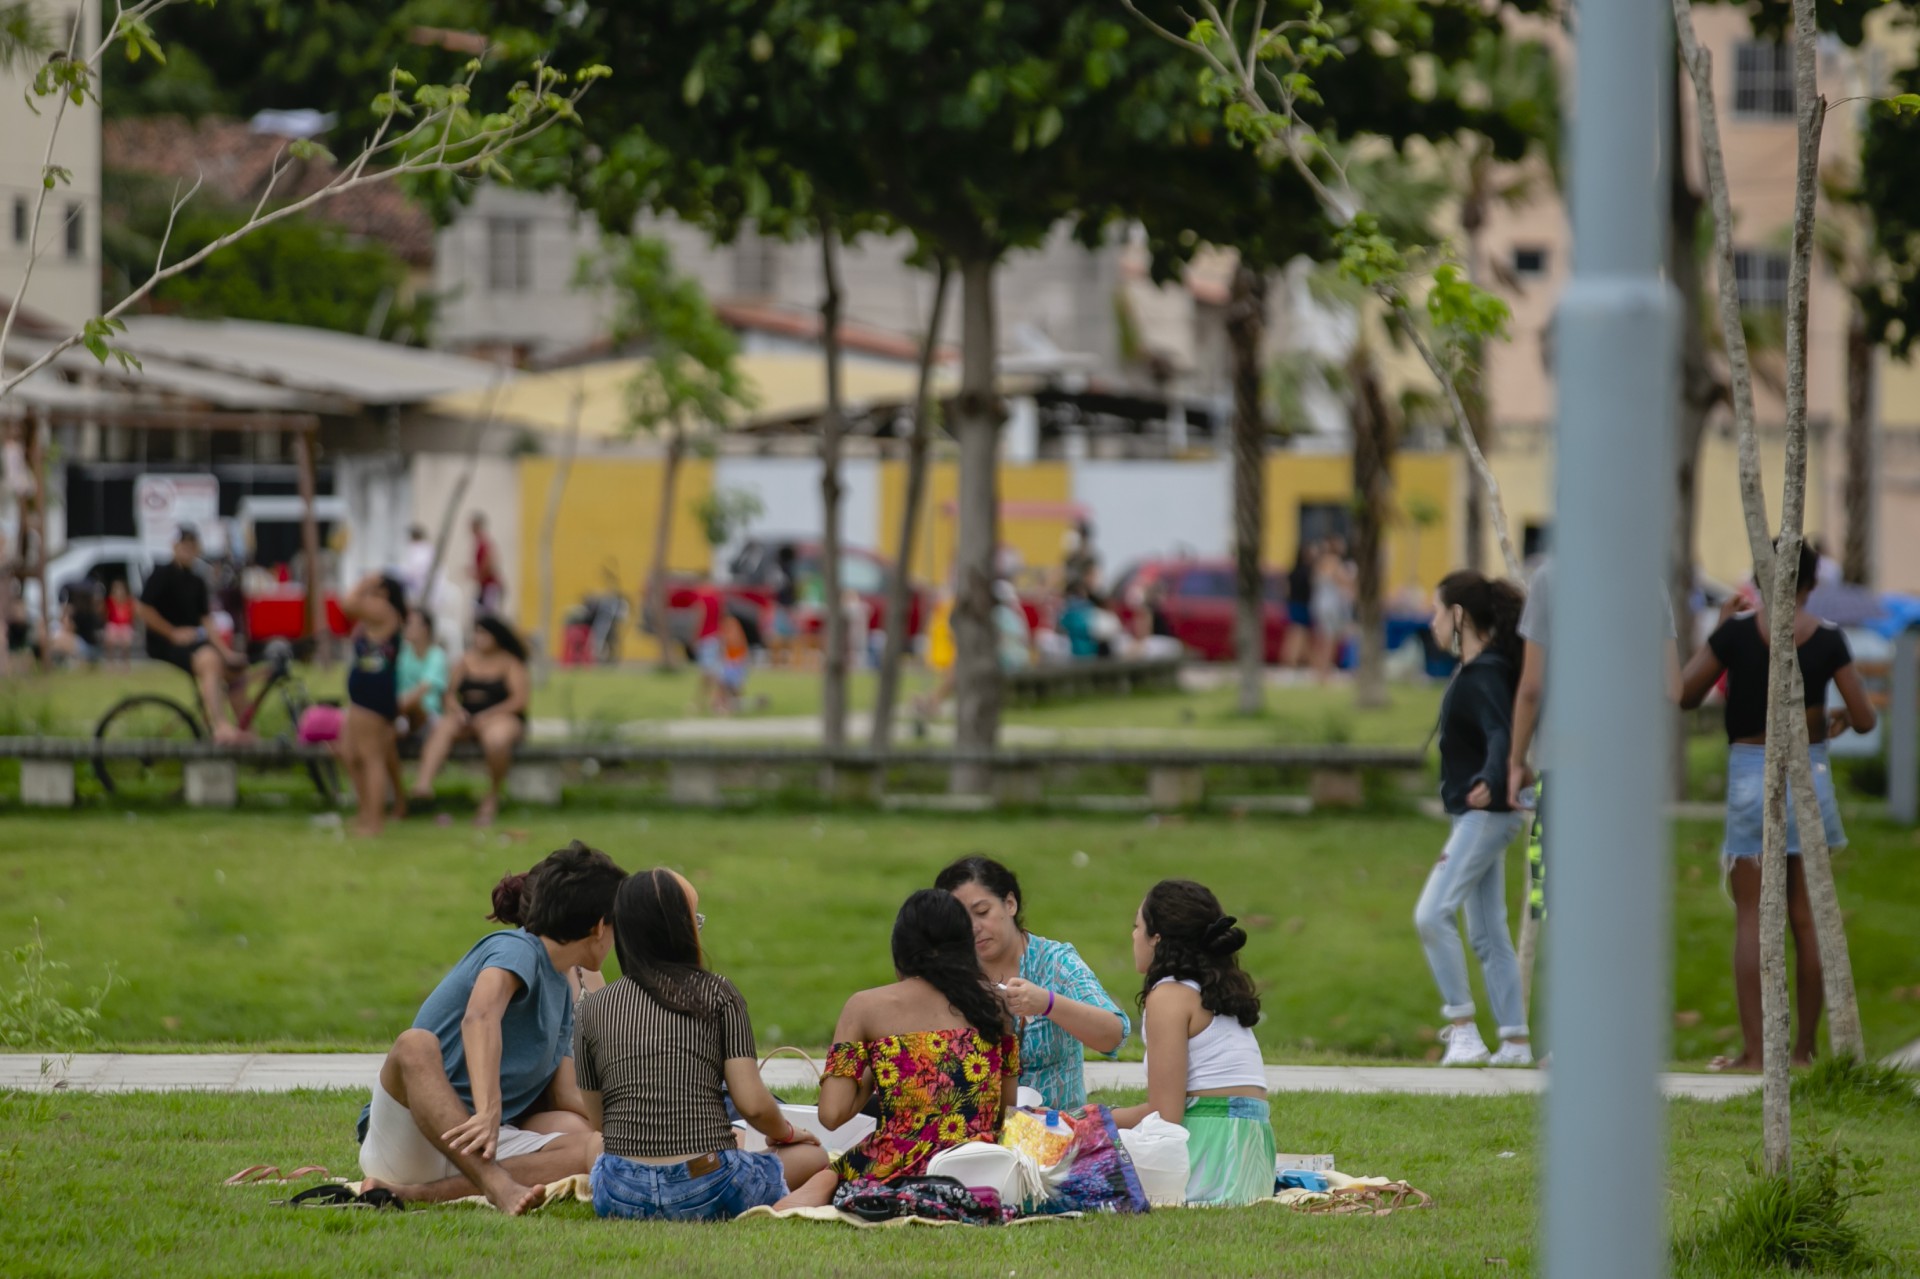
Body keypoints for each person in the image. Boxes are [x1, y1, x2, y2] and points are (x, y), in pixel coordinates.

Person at [1679, 542, 1876, 1072]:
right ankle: (1805, 1051)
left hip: (1750, 768)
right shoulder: (1829, 638)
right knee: (1805, 918)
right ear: (1814, 583)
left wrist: (1720, 627)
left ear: (1762, 579)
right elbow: (1864, 718)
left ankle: (1755, 1052)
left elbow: (1686, 694)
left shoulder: (1739, 633)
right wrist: (1831, 720)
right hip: (1808, 771)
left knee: (1751, 916)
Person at [358, 842, 625, 1213]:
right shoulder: (517, 948)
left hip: (478, 1148)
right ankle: (498, 1186)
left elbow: (567, 1094)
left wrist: (639, 1119)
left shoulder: (564, 989)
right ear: (599, 927)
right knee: (414, 1045)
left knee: (595, 1145)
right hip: (414, 1140)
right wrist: (488, 1111)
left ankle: (420, 1193)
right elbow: (480, 1016)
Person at [576, 868, 829, 1221]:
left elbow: (599, 1120)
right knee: (815, 1157)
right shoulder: (719, 994)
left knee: (595, 1149)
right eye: (696, 918)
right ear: (681, 929)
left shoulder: (591, 1008)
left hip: (620, 1192)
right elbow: (753, 1105)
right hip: (707, 1184)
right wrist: (786, 1133)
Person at [779, 889, 1019, 1208]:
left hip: (900, 1167)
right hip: (982, 1162)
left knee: (832, 1173)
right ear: (965, 945)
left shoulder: (866, 1007)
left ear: (901, 947)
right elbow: (1006, 1111)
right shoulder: (996, 1003)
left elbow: (832, 1114)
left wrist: (881, 1064)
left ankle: (818, 1189)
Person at [1415, 571, 1533, 1068]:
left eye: (1439, 609)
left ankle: (1462, 1029)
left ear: (1459, 615)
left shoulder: (1484, 673)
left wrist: (1490, 774)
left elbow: (1500, 730)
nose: (1432, 620)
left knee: (1431, 914)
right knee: (1487, 933)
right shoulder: (1479, 669)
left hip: (1485, 815)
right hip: (1484, 814)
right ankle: (1515, 1042)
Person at [1112, 879, 1273, 1208]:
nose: (1132, 935)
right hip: (1252, 1156)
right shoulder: (1213, 990)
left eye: (1136, 926)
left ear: (1156, 939)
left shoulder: (1169, 997)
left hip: (1213, 1156)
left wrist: (1098, 1119)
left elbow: (1165, 1117)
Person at [934, 855, 1129, 1109]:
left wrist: (1048, 1003)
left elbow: (1113, 1035)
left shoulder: (1054, 962)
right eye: (960, 919)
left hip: (1057, 1131)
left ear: (1010, 904)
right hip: (975, 1136)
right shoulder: (950, 974)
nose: (973, 927)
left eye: (982, 912)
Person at [410, 616, 531, 827]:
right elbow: (448, 694)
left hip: (500, 716)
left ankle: (493, 794)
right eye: (476, 632)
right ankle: (424, 783)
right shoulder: (466, 660)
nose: (479, 638)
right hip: (467, 717)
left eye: (484, 633)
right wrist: (457, 711)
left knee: (496, 740)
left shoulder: (510, 662)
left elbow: (519, 700)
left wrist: (489, 715)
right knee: (443, 727)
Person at [138, 526, 248, 743]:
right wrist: (172, 633)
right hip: (165, 643)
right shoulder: (161, 574)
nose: (188, 551)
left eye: (192, 546)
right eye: (184, 546)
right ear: (175, 546)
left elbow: (206, 620)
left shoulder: (197, 581)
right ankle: (220, 726)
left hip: (194, 642)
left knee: (235, 671)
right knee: (210, 661)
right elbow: (143, 609)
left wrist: (226, 652)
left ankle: (245, 728)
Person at [339, 574, 409, 837]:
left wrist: (368, 578)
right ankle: (365, 813)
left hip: (372, 694)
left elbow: (347, 603)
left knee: (370, 756)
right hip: (364, 694)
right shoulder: (375, 618)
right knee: (349, 752)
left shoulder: (383, 609)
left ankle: (374, 822)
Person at [397, 607, 449, 737]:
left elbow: (423, 688)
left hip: (428, 716)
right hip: (401, 713)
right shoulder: (402, 652)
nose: (406, 627)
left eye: (410, 623)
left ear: (425, 629)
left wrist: (394, 705)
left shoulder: (437, 655)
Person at [1310, 536, 1354, 681]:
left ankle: (1319, 670)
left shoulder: (1320, 563)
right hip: (1331, 606)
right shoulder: (1333, 562)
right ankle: (1324, 672)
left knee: (1322, 639)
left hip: (1320, 604)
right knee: (1329, 639)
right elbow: (1341, 580)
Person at [698, 613, 753, 716]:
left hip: (735, 666)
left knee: (732, 689)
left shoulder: (734, 634)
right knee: (721, 685)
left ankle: (726, 705)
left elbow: (740, 651)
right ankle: (719, 705)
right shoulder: (724, 635)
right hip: (729, 666)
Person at [1283, 542, 1316, 669]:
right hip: (1303, 605)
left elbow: (1286, 590)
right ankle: (1292, 660)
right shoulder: (1307, 572)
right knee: (1299, 633)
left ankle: (1306, 659)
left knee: (1297, 633)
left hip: (1293, 604)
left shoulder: (1292, 572)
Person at [472, 514, 503, 617]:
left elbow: (490, 562)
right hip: (485, 585)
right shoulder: (480, 543)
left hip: (489, 585)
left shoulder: (484, 543)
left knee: (488, 617)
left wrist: (479, 575)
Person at [103, 579, 136, 669]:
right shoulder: (110, 601)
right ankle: (110, 662)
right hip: (113, 625)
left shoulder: (129, 602)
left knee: (126, 641)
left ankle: (125, 663)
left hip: (125, 626)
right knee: (110, 638)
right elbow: (105, 614)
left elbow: (132, 616)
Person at [400, 525, 437, 606]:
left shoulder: (418, 549)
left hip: (422, 591)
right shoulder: (429, 549)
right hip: (431, 592)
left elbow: (412, 572)